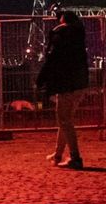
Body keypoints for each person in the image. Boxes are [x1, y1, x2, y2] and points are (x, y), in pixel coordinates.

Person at [36, 9, 90, 170]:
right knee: (65, 121)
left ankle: (75, 158)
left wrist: (40, 79)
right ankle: (58, 155)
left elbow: (52, 60)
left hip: (65, 85)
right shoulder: (78, 34)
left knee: (65, 121)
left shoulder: (60, 36)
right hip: (80, 84)